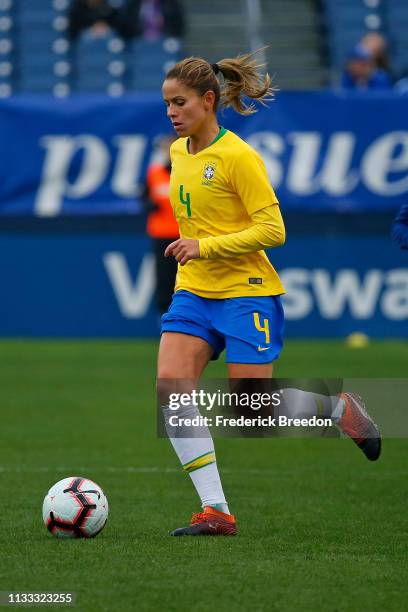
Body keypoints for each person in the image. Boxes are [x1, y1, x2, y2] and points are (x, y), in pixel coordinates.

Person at [159, 51, 381, 537]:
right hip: (195, 292)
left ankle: (339, 408)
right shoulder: (178, 153)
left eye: (181, 103)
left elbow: (273, 229)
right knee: (171, 388)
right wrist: (196, 254)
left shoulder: (238, 156)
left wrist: (205, 246)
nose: (173, 112)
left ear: (209, 101)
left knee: (251, 409)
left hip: (246, 292)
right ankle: (215, 510)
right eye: (168, 105)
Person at [144, 135, 179, 315]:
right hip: (161, 235)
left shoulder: (187, 172)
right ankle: (164, 319)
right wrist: (149, 205)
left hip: (186, 236)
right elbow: (144, 198)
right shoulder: (154, 173)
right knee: (164, 279)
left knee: (187, 281)